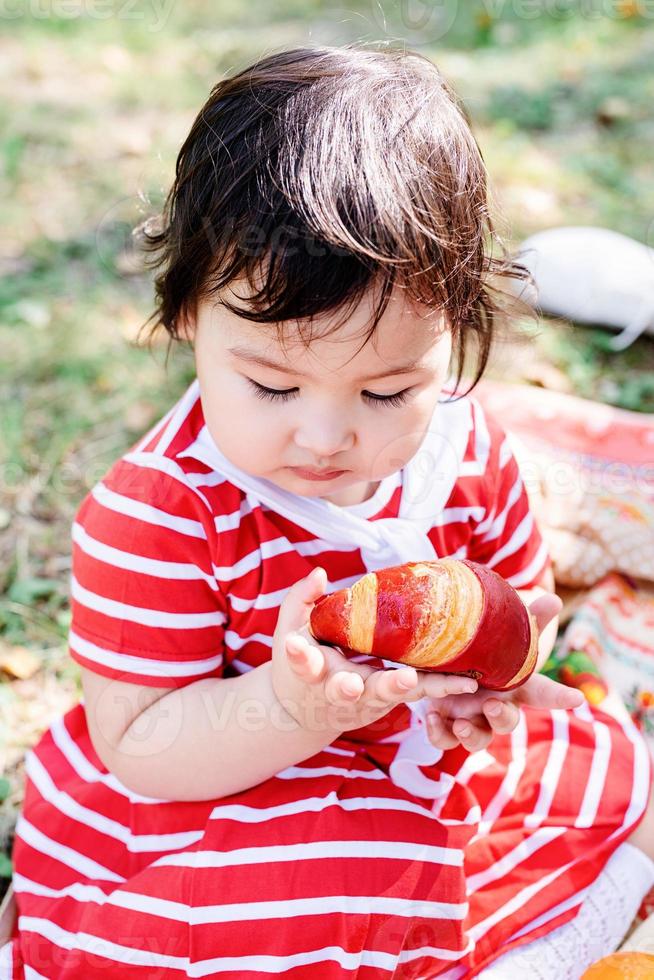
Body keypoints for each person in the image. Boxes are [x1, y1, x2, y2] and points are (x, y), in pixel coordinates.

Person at [2, 43, 652, 980]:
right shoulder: (159, 514)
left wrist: (502, 677)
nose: (325, 436)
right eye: (271, 384)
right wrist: (289, 707)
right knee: (290, 914)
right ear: (188, 314)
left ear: (456, 335)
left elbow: (520, 595)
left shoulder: (467, 449)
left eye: (387, 393)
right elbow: (143, 744)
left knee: (617, 778)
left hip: (431, 765)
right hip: (241, 786)